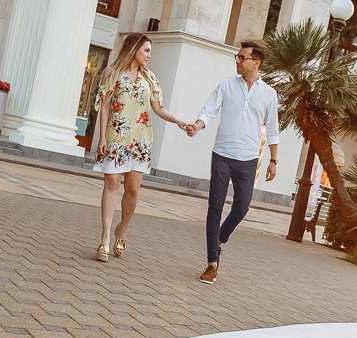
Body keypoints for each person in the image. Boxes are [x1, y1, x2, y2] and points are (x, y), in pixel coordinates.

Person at [91, 32, 193, 262]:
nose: (149, 55)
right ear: (134, 48)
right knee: (112, 183)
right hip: (117, 136)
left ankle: (122, 231)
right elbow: (105, 107)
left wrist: (177, 120)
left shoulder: (150, 78)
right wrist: (102, 138)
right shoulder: (112, 72)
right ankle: (105, 237)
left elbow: (157, 108)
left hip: (140, 141)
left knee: (133, 190)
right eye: (146, 50)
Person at [188, 41, 279, 284]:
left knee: (241, 207)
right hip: (222, 154)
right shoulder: (226, 86)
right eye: (237, 58)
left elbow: (273, 129)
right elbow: (209, 110)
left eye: (242, 57)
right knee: (214, 208)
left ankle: (219, 239)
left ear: (256, 63)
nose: (237, 61)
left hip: (248, 159)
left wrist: (274, 160)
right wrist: (198, 125)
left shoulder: (269, 94)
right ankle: (211, 263)